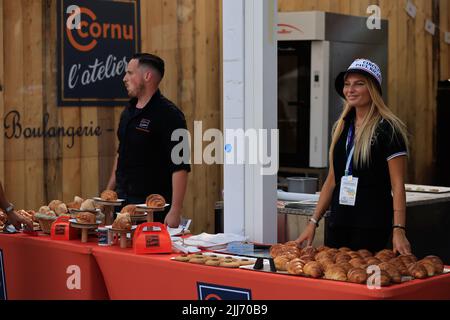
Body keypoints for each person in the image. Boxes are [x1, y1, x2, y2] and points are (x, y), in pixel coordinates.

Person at [295, 59, 411, 255]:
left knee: (363, 281)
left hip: (370, 227)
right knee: (335, 280)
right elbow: (332, 180)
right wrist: (313, 222)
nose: (350, 89)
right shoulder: (342, 127)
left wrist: (399, 229)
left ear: (373, 88)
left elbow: (398, 185)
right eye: (347, 84)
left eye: (359, 83)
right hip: (338, 224)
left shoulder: (388, 129)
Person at [106, 53, 190, 228]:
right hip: (122, 205)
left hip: (152, 210)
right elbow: (121, 154)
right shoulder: (127, 112)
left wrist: (175, 210)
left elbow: (180, 165)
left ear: (147, 76)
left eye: (130, 73)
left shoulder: (171, 115)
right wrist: (109, 194)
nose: (124, 78)